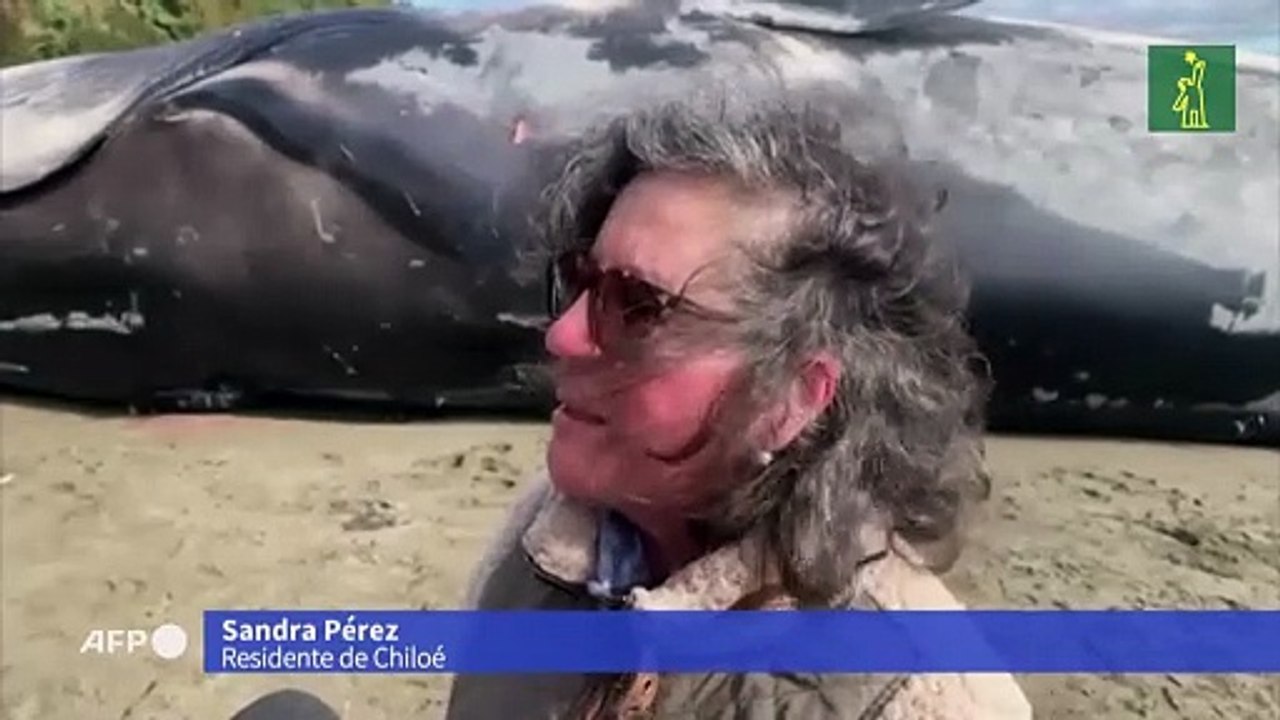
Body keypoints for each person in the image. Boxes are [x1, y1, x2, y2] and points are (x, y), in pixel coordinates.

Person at [444, 98, 1033, 719]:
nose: (563, 334)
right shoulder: (550, 537)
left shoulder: (919, 700)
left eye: (639, 306)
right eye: (580, 281)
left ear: (792, 400)